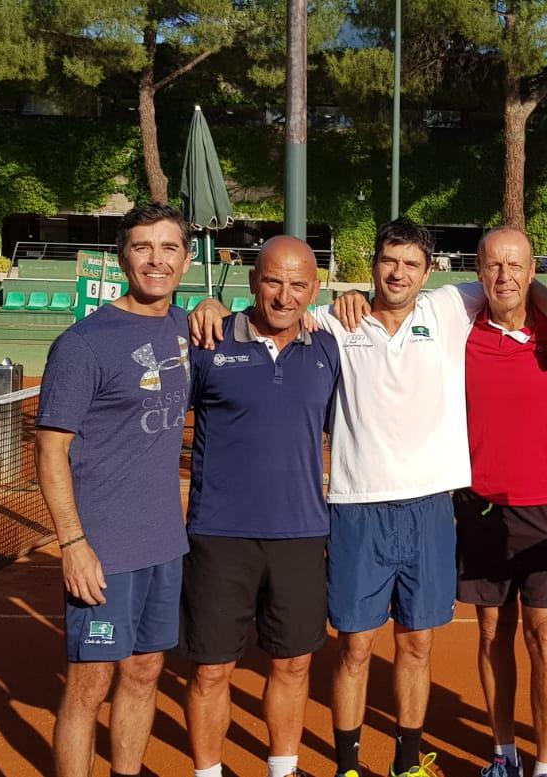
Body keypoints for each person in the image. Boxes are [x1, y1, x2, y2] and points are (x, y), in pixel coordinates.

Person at [190, 219, 547, 777]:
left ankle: (406, 762)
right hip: (356, 507)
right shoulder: (331, 323)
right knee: (354, 649)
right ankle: (348, 766)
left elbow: (512, 276)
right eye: (388, 261)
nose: (398, 273)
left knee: (417, 645)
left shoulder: (447, 309)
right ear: (372, 267)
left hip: (430, 507)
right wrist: (210, 307)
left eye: (411, 264)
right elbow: (268, 312)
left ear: (428, 271)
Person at [35, 203, 193, 777]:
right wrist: (72, 542)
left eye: (169, 247)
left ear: (186, 257)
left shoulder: (185, 326)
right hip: (104, 549)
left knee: (146, 671)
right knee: (89, 683)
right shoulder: (84, 343)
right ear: (122, 256)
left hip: (163, 543)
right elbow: (50, 449)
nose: (156, 260)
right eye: (143, 247)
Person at [180, 236, 339, 777]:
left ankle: (282, 767)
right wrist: (203, 308)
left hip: (300, 534)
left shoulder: (326, 348)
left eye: (298, 285)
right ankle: (207, 772)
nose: (284, 295)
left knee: (293, 663)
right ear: (253, 282)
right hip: (219, 536)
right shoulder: (210, 340)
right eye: (273, 281)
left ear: (314, 290)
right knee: (210, 671)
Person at [455, 228, 547, 777]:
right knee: (491, 634)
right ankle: (502, 755)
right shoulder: (459, 333)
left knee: (544, 639)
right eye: (493, 265)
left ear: (532, 273)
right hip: (480, 508)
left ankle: (546, 766)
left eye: (515, 265)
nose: (504, 276)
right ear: (479, 272)